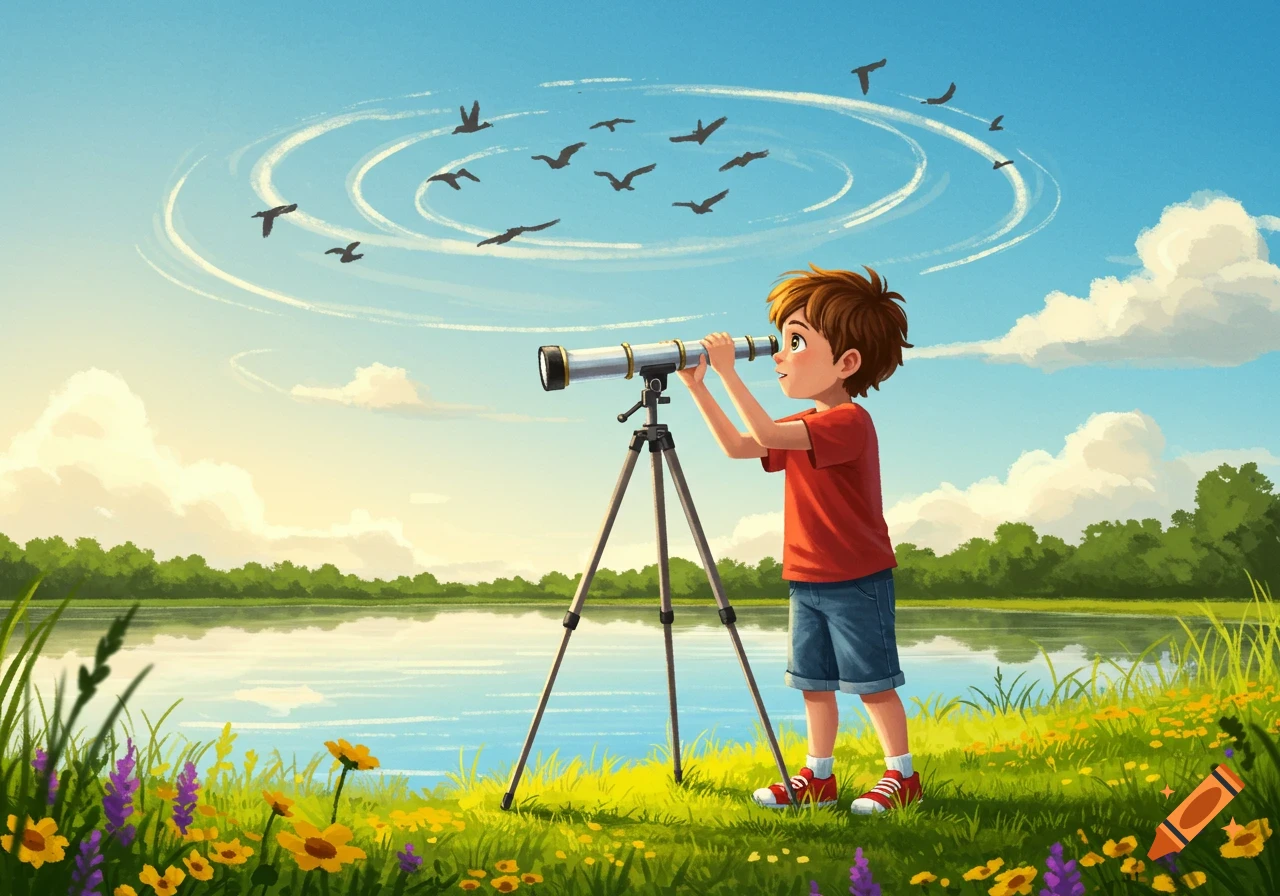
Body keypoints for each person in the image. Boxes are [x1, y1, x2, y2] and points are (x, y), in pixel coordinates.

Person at [676, 263, 918, 814]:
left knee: (873, 683)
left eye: (796, 341)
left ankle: (901, 775)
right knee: (814, 683)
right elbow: (742, 446)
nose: (780, 355)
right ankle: (818, 775)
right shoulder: (806, 420)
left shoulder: (847, 422)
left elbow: (762, 433)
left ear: (847, 362)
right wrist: (700, 388)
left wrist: (730, 372)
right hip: (805, 576)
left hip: (855, 578)